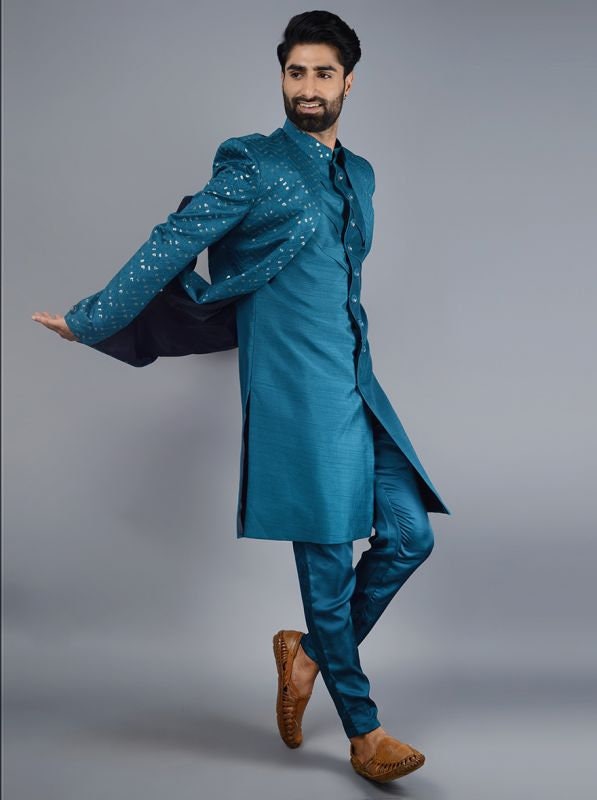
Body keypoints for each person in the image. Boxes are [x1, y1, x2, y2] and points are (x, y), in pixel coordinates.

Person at [32, 10, 451, 784]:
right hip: (294, 389)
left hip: (357, 383)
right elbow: (175, 238)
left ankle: (305, 654)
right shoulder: (253, 162)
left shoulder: (360, 174)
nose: (308, 87)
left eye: (323, 73)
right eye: (296, 72)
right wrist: (92, 318)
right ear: (282, 78)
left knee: (409, 536)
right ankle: (364, 733)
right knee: (327, 560)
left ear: (349, 82)